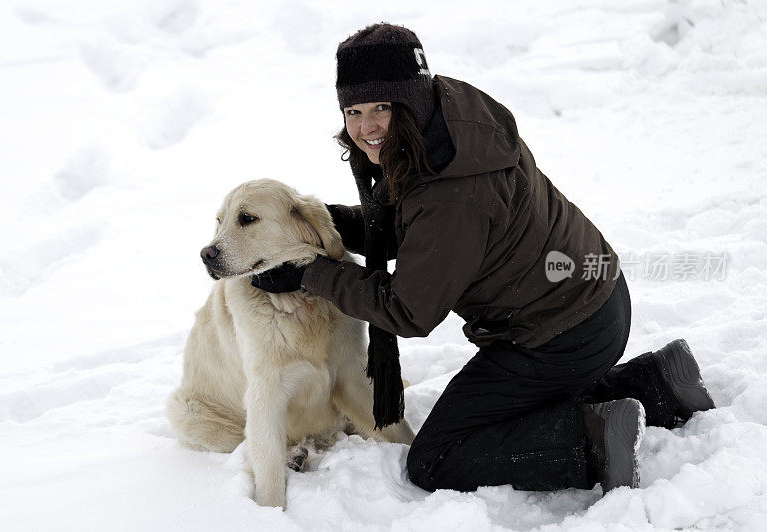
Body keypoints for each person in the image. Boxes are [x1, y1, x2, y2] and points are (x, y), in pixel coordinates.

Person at [250, 23, 715, 494]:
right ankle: (658, 385)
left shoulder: (451, 194)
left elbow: (407, 310)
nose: (365, 127)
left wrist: (313, 274)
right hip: (590, 302)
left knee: (439, 457)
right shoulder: (445, 124)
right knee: (506, 412)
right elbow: (409, 230)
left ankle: (592, 436)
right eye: (353, 110)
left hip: (557, 333)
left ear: (411, 101)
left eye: (381, 108)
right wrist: (311, 222)